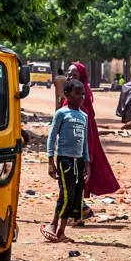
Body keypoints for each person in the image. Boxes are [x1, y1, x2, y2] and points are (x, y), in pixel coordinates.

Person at [63, 63, 120, 225]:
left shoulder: (81, 96)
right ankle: (79, 211)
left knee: (75, 179)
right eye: (69, 74)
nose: (70, 77)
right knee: (71, 180)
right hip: (71, 144)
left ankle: (77, 213)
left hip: (81, 142)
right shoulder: (71, 94)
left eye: (74, 74)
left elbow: (83, 122)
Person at [42, 80, 90, 243]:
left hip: (79, 161)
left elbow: (84, 142)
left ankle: (59, 230)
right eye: (77, 93)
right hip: (65, 160)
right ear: (67, 95)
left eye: (83, 93)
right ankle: (55, 227)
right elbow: (51, 137)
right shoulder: (62, 113)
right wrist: (50, 161)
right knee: (68, 194)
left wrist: (87, 164)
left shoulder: (84, 116)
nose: (81, 97)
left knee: (75, 196)